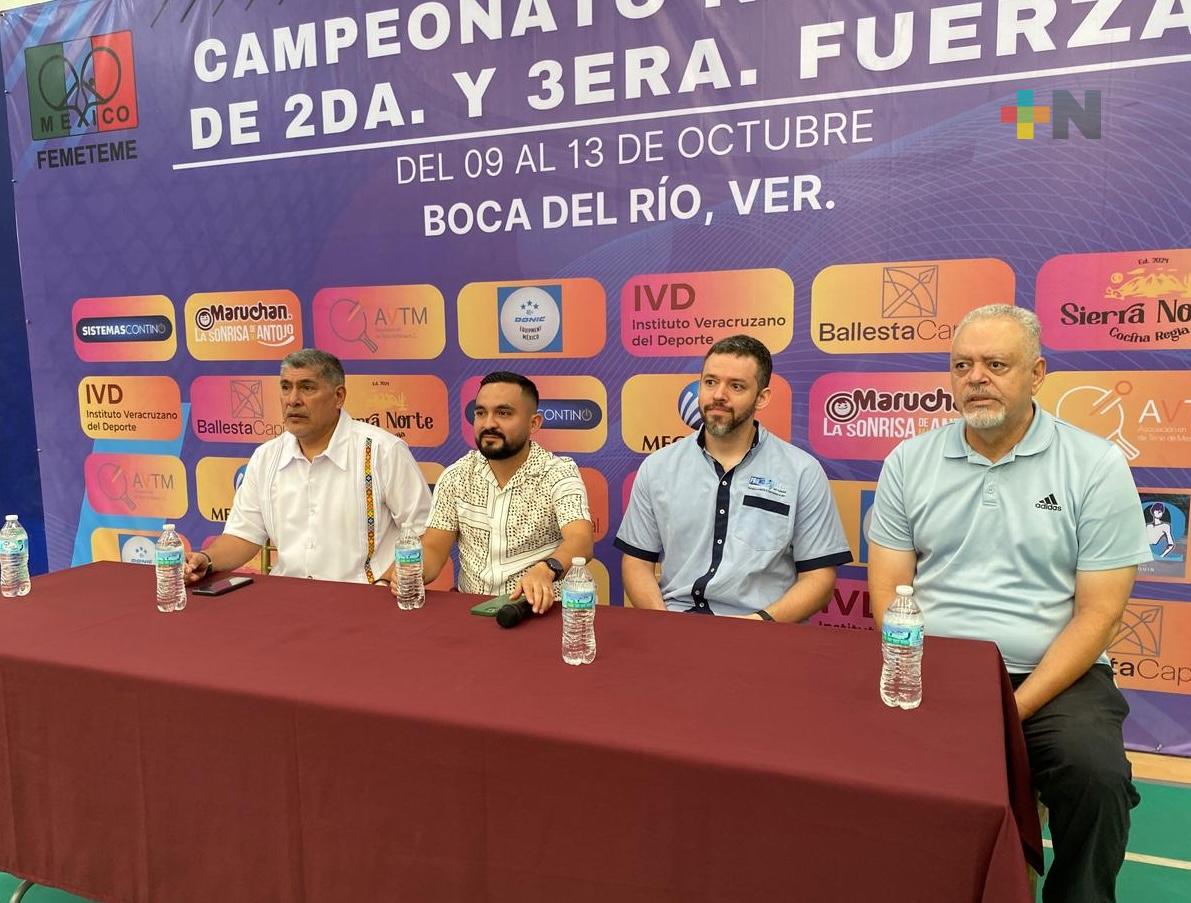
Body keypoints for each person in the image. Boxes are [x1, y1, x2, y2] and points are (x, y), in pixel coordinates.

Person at [866, 305, 1150, 903]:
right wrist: (920, 674)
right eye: (962, 365)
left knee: (1095, 777)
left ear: (1037, 373)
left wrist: (1009, 709)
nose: (976, 378)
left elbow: (1098, 614)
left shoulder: (1095, 466)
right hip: (932, 668)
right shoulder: (908, 463)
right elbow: (889, 593)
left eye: (996, 364)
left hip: (1056, 676)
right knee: (859, 767)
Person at [615, 334, 852, 620]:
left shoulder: (801, 471)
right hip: (676, 623)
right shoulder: (658, 467)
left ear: (762, 397)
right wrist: (665, 624)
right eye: (710, 382)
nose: (718, 395)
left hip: (764, 629)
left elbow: (819, 579)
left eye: (736, 386)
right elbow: (637, 563)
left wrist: (757, 625)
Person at [184, 349, 432, 585]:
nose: (293, 400)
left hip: (367, 600)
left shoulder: (383, 451)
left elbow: (423, 535)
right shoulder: (265, 457)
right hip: (289, 601)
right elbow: (242, 536)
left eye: (307, 388)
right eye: (285, 387)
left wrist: (386, 581)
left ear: (339, 397)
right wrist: (206, 560)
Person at [421, 371, 593, 613]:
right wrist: (411, 570)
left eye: (503, 413)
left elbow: (581, 541)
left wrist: (547, 569)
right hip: (473, 613)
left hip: (538, 613)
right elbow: (433, 549)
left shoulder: (558, 472)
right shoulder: (456, 476)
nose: (489, 423)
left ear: (534, 423)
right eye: (481, 413)